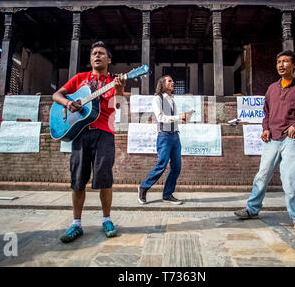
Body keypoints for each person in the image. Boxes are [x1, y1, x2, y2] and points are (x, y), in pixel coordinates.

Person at [234, 50, 295, 234]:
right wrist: (265, 128)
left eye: (285, 61)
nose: (281, 65)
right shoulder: (272, 88)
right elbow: (267, 113)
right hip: (272, 138)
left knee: (290, 180)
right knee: (262, 175)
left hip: (291, 139)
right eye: (278, 61)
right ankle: (252, 209)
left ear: (294, 65)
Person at [52, 41, 126, 243]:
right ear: (90, 58)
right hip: (80, 133)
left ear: (109, 59)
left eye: (102, 53)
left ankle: (107, 219)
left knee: (104, 178)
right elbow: (56, 94)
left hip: (105, 133)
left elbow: (118, 106)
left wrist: (119, 91)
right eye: (94, 53)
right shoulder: (80, 79)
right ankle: (76, 224)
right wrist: (68, 103)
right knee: (77, 180)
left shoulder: (113, 81)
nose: (97, 55)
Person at [137, 75, 192, 205]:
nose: (173, 83)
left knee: (177, 166)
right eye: (170, 81)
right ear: (162, 84)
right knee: (162, 164)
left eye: (173, 80)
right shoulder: (157, 99)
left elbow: (173, 118)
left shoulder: (172, 100)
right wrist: (179, 117)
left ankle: (167, 194)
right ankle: (144, 187)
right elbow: (161, 117)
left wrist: (184, 119)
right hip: (164, 136)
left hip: (175, 136)